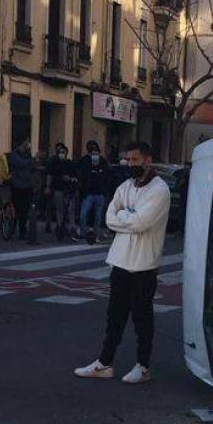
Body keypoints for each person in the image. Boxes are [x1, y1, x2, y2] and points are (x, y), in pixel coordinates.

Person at [74, 141, 171, 385]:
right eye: (128, 160)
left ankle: (143, 366)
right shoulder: (125, 186)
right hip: (120, 261)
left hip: (144, 265)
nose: (130, 164)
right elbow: (109, 217)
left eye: (135, 160)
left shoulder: (159, 190)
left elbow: (141, 223)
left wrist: (124, 216)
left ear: (148, 160)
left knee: (142, 317)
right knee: (114, 316)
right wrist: (128, 217)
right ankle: (105, 363)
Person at [76, 140, 110, 242]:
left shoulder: (103, 162)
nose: (94, 155)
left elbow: (107, 177)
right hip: (88, 194)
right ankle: (83, 233)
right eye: (93, 153)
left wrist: (105, 191)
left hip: (99, 194)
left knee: (98, 217)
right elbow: (81, 175)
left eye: (96, 153)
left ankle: (95, 235)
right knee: (83, 215)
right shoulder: (85, 162)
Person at [45, 143, 77, 235]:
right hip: (58, 188)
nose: (62, 154)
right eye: (60, 152)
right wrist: (48, 186)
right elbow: (50, 175)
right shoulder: (54, 163)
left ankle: (72, 227)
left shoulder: (70, 163)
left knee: (70, 208)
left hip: (69, 189)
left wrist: (71, 179)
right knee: (60, 209)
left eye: (64, 152)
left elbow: (75, 175)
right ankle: (60, 226)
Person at [7, 139, 36, 236]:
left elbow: (31, 166)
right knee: (16, 208)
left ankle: (22, 230)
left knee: (25, 209)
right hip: (17, 185)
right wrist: (32, 160)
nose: (26, 147)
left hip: (27, 185)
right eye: (25, 145)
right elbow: (21, 163)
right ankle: (12, 228)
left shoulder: (28, 155)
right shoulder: (13, 155)